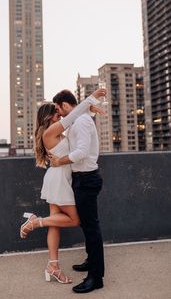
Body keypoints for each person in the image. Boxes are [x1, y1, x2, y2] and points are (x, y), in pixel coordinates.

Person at [19, 88, 106, 285]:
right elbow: (73, 116)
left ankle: (53, 266)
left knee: (56, 223)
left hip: (62, 177)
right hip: (60, 179)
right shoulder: (52, 131)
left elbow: (75, 118)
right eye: (56, 113)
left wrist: (89, 109)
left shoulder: (56, 130)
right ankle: (35, 222)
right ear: (49, 117)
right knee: (74, 220)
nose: (60, 115)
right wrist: (90, 100)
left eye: (60, 111)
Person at [49, 89, 105, 294]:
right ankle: (92, 262)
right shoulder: (78, 119)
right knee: (88, 226)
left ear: (65, 105)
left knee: (91, 228)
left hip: (87, 179)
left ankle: (96, 277)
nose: (58, 113)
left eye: (57, 108)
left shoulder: (80, 122)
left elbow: (81, 153)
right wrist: (90, 107)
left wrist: (59, 161)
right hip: (81, 180)